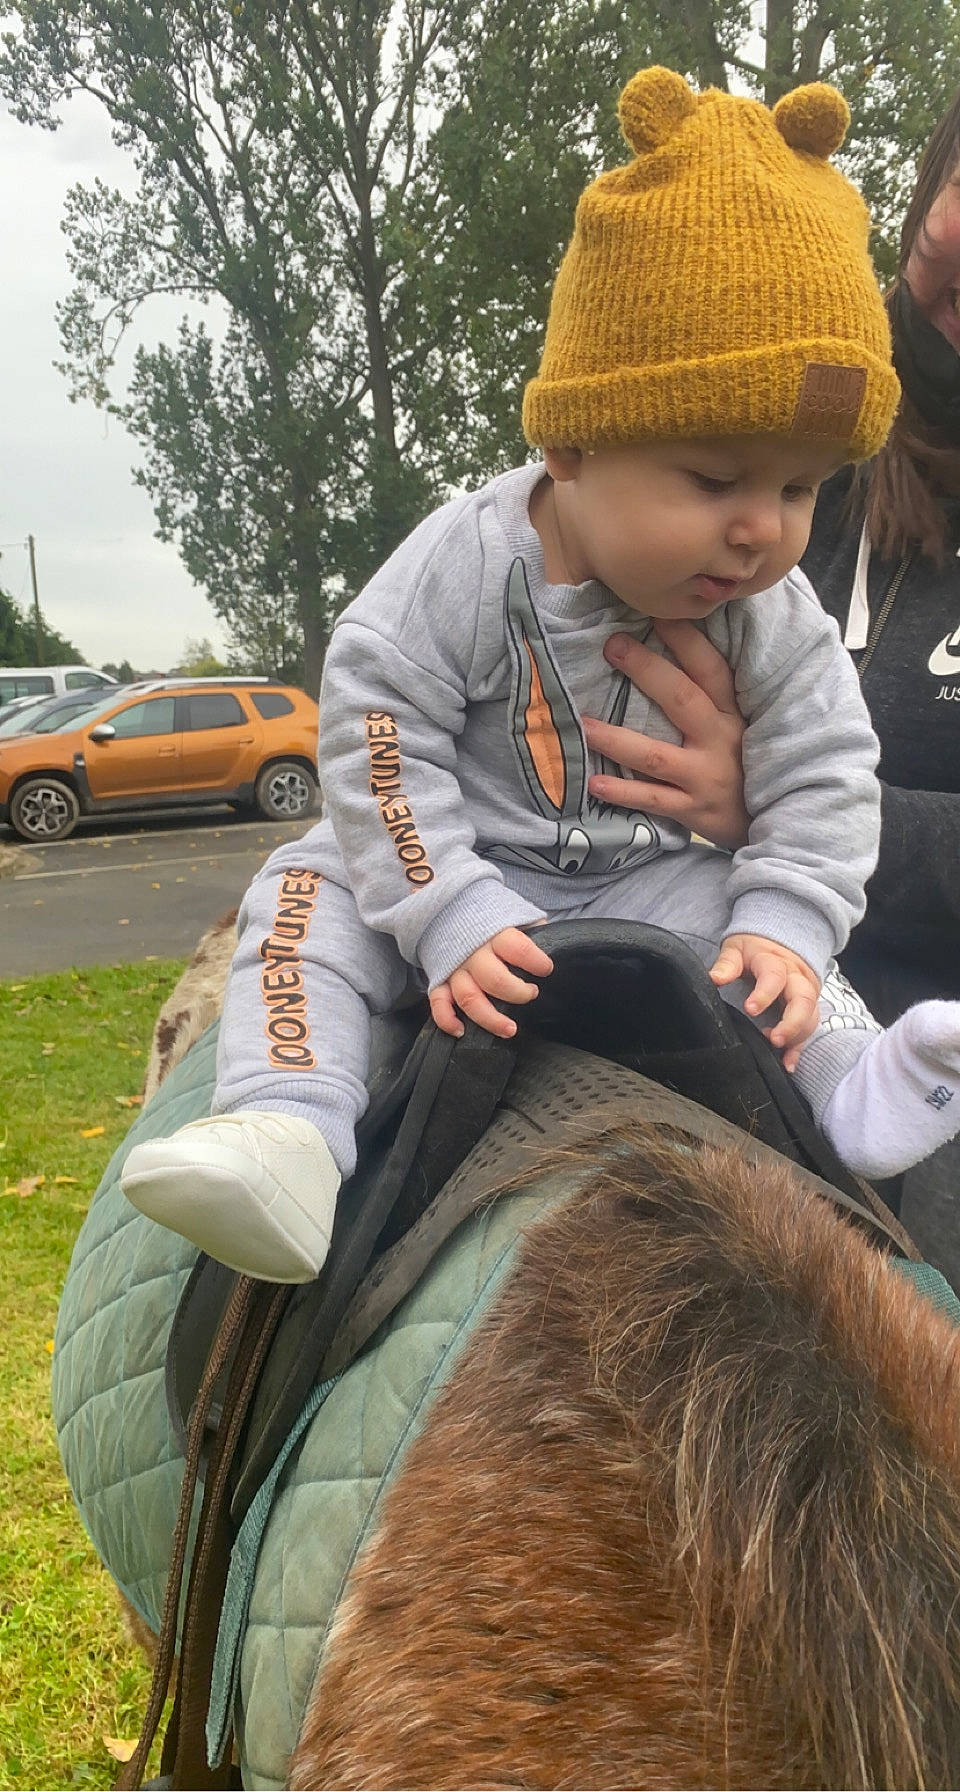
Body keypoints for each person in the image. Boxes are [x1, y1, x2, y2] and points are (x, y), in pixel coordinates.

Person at [120, 67, 960, 1285]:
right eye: (718, 479)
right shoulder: (467, 561)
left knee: (769, 946)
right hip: (459, 860)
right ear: (569, 443)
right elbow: (379, 713)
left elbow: (830, 768)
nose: (763, 534)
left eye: (799, 488)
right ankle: (288, 1122)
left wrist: (781, 912)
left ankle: (859, 1081)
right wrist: (447, 905)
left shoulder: (769, 611)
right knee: (307, 894)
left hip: (654, 873)